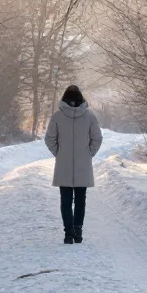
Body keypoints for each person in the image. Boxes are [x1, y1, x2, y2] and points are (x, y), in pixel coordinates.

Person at [44, 84, 103, 244]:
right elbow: (97, 138)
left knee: (65, 200)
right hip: (83, 164)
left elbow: (49, 138)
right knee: (80, 199)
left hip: (63, 164)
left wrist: (59, 152)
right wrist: (89, 153)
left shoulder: (57, 116)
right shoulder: (90, 116)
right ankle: (78, 230)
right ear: (80, 98)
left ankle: (68, 233)